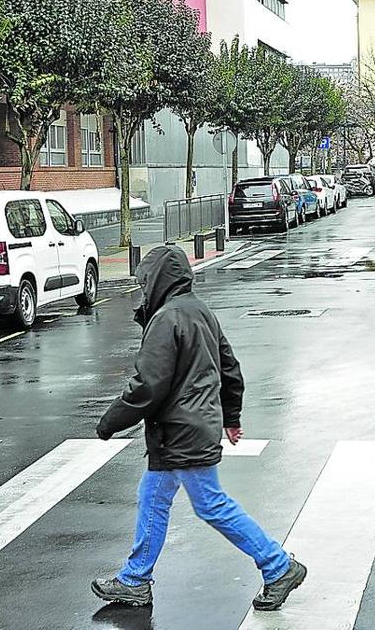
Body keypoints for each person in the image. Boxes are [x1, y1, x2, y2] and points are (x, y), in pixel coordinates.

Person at [92, 245, 307, 611]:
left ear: (159, 280)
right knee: (153, 498)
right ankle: (134, 580)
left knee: (211, 504)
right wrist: (231, 417)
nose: (144, 290)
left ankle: (278, 565)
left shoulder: (167, 319)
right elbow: (230, 370)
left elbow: (148, 385)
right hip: (191, 426)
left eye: (145, 282)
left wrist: (110, 422)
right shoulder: (200, 312)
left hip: (180, 431)